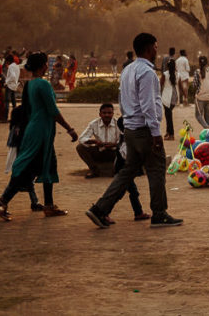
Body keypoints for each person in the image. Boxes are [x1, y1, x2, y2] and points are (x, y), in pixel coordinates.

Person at [86, 33, 182, 229]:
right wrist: (156, 132)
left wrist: (128, 121)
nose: (157, 50)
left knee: (128, 171)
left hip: (131, 129)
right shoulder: (147, 73)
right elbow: (148, 105)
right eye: (155, 47)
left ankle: (100, 208)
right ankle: (159, 213)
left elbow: (122, 100)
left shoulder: (128, 70)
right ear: (149, 49)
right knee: (156, 170)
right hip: (145, 129)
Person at [0, 52, 78, 220]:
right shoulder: (43, 85)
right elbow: (53, 111)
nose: (48, 66)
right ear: (41, 66)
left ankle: (49, 205)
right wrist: (70, 129)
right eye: (46, 63)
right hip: (41, 131)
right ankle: (2, 200)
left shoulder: (31, 85)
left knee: (49, 164)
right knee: (29, 167)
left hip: (35, 128)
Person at [76, 103, 121, 178]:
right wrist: (95, 142)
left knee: (128, 147)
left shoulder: (119, 123)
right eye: (104, 113)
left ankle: (117, 169)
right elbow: (82, 138)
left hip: (115, 152)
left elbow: (126, 140)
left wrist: (114, 144)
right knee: (80, 147)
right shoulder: (94, 124)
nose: (107, 115)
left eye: (109, 113)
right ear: (100, 114)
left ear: (113, 114)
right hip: (100, 151)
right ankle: (94, 170)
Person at [193, 55, 209, 129]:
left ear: (199, 63)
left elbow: (194, 85)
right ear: (207, 62)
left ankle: (207, 128)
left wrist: (198, 90)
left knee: (198, 115)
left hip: (201, 97)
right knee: (207, 115)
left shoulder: (197, 72)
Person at [160, 58, 179, 140]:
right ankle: (168, 132)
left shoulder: (165, 74)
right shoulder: (177, 74)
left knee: (168, 116)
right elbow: (180, 86)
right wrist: (185, 96)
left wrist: (158, 95)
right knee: (168, 114)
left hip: (167, 96)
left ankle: (171, 134)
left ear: (167, 66)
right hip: (175, 96)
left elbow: (160, 85)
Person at [3, 53, 20, 122]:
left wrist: (6, 82)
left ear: (8, 61)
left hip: (10, 85)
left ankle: (5, 117)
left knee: (7, 101)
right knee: (13, 102)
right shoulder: (17, 66)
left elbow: (12, 76)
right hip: (15, 85)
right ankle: (15, 117)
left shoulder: (10, 67)